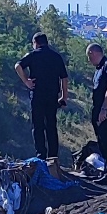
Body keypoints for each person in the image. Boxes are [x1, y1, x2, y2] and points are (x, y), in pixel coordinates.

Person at [15, 31, 68, 174]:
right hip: (52, 96)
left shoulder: (33, 55)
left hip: (37, 95)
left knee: (38, 126)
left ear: (35, 43)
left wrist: (26, 81)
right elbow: (64, 77)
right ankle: (53, 157)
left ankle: (41, 156)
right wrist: (64, 96)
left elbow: (18, 66)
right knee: (51, 125)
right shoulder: (56, 57)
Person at [86, 40, 107, 185]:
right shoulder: (99, 68)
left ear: (93, 53)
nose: (89, 60)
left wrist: (104, 108)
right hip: (99, 111)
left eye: (89, 56)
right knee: (102, 144)